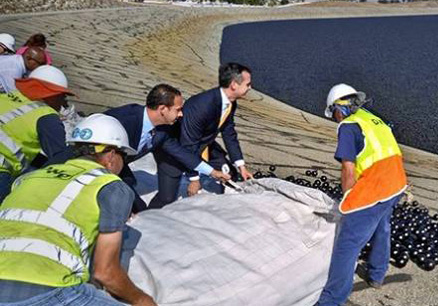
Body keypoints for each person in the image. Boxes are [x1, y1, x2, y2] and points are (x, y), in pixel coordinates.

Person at [0, 114, 157, 306]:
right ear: (111, 156)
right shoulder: (111, 186)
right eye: (123, 156)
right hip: (47, 288)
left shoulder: (28, 178)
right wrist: (142, 299)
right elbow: (105, 272)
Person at [316, 84, 408, 306]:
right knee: (382, 225)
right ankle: (377, 274)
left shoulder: (348, 126)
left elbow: (348, 168)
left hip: (375, 188)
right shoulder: (372, 118)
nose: (335, 119)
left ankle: (331, 299)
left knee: (347, 245)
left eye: (334, 113)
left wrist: (349, 199)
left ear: (340, 108)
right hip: (396, 183)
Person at [104, 84, 230, 213]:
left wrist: (212, 172)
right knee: (133, 202)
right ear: (163, 109)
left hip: (117, 165)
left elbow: (181, 153)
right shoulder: (123, 120)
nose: (181, 114)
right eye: (178, 109)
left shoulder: (162, 131)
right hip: (97, 163)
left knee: (136, 203)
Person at [150, 62, 253, 209]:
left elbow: (229, 132)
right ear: (234, 85)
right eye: (247, 84)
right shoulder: (202, 106)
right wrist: (194, 178)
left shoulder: (230, 103)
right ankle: (142, 217)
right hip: (176, 148)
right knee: (167, 197)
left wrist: (241, 165)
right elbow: (188, 143)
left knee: (230, 172)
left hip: (203, 144)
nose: (250, 87)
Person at [0, 65, 75, 201]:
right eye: (63, 96)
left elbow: (14, 138)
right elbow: (59, 159)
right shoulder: (47, 116)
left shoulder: (6, 96)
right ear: (51, 95)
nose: (65, 103)